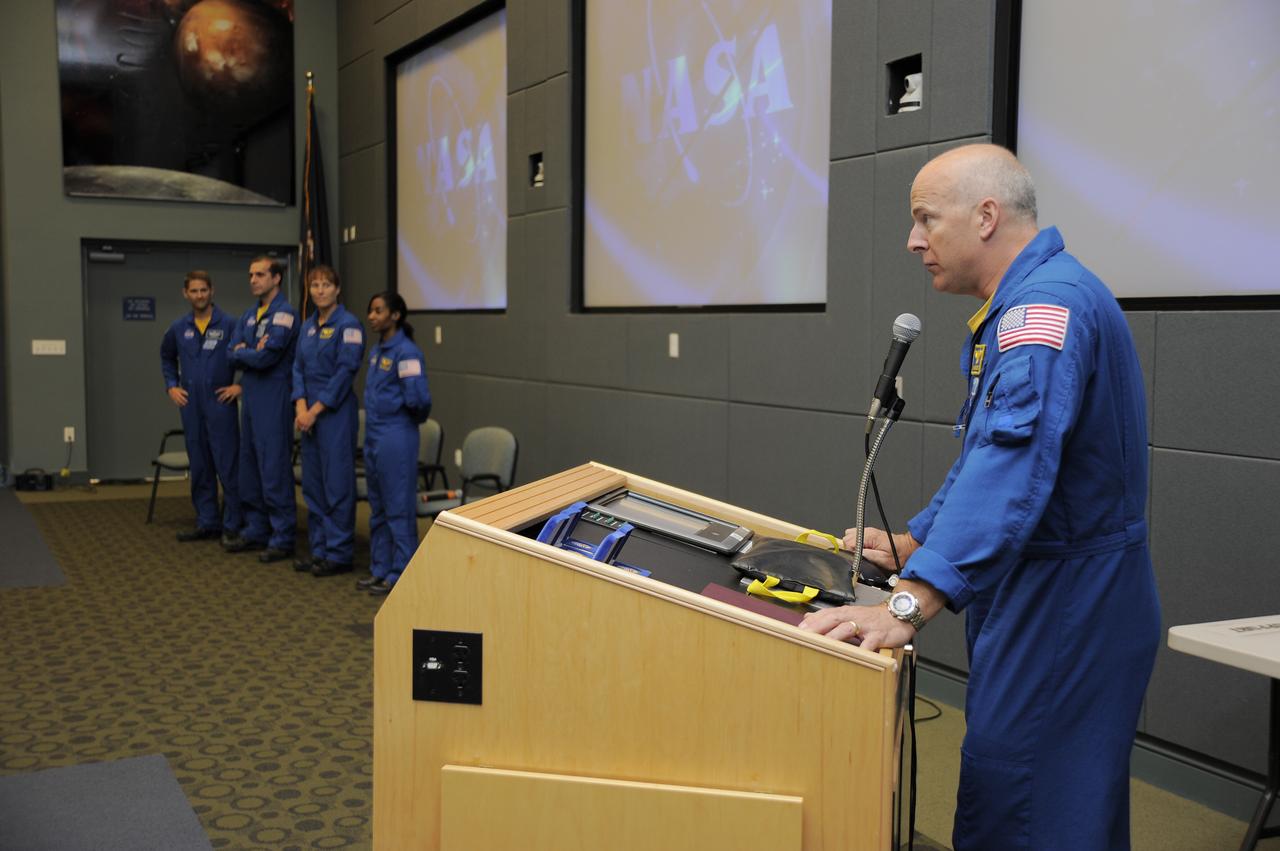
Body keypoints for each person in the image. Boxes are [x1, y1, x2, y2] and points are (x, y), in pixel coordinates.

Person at [800, 144, 1160, 851]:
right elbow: (987, 453)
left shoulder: (1044, 312)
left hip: (1068, 607)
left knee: (1024, 806)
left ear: (986, 215)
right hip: (1052, 594)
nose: (912, 240)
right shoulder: (1028, 299)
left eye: (925, 219)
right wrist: (918, 543)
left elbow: (1011, 467)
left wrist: (910, 598)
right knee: (1061, 804)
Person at [223, 256, 300, 562]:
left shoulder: (285, 314)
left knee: (273, 468)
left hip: (274, 395)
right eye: (251, 274)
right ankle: (257, 529)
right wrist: (247, 353)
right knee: (250, 466)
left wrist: (246, 353)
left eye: (260, 274)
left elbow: (267, 358)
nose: (253, 279)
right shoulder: (248, 315)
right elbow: (231, 353)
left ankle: (282, 537)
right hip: (252, 396)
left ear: (276, 278)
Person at [291, 265, 364, 577]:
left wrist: (314, 410)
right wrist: (300, 407)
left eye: (325, 285)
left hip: (334, 415)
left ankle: (338, 553)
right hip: (307, 417)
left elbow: (344, 373)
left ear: (337, 290)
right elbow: (297, 369)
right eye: (315, 285)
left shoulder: (349, 325)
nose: (319, 290)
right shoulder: (307, 327)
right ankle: (319, 550)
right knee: (314, 486)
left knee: (337, 485)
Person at [159, 270, 242, 541]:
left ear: (212, 291)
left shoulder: (230, 324)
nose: (199, 295)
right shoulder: (178, 328)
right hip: (191, 405)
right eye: (193, 291)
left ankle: (233, 524)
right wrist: (171, 386)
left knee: (227, 465)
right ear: (186, 294)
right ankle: (207, 521)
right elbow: (167, 358)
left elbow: (253, 357)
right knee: (200, 464)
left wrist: (240, 386)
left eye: (203, 290)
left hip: (220, 403)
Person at [358, 292, 431, 596]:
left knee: (398, 507)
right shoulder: (378, 351)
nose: (372, 316)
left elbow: (419, 400)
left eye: (378, 311)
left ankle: (401, 572)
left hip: (396, 435)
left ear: (395, 315)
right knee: (378, 507)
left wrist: (400, 419)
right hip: (375, 435)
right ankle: (380, 568)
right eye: (370, 311)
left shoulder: (406, 352)